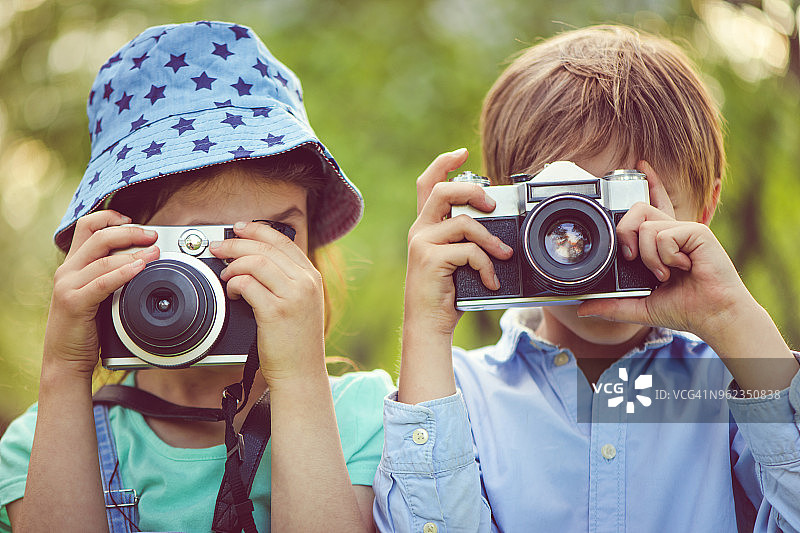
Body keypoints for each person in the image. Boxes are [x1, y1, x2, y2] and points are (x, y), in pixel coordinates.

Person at [373, 25, 800, 532]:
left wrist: (732, 318)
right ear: (502, 215)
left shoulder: (741, 388)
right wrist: (426, 326)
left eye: (621, 208)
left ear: (704, 208)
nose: (585, 248)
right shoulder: (452, 395)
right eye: (563, 218)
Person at [0, 21, 392, 532]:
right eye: (197, 244)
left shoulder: (361, 418)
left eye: (277, 236)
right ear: (113, 252)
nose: (241, 271)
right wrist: (64, 371)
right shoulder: (42, 444)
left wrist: (298, 380)